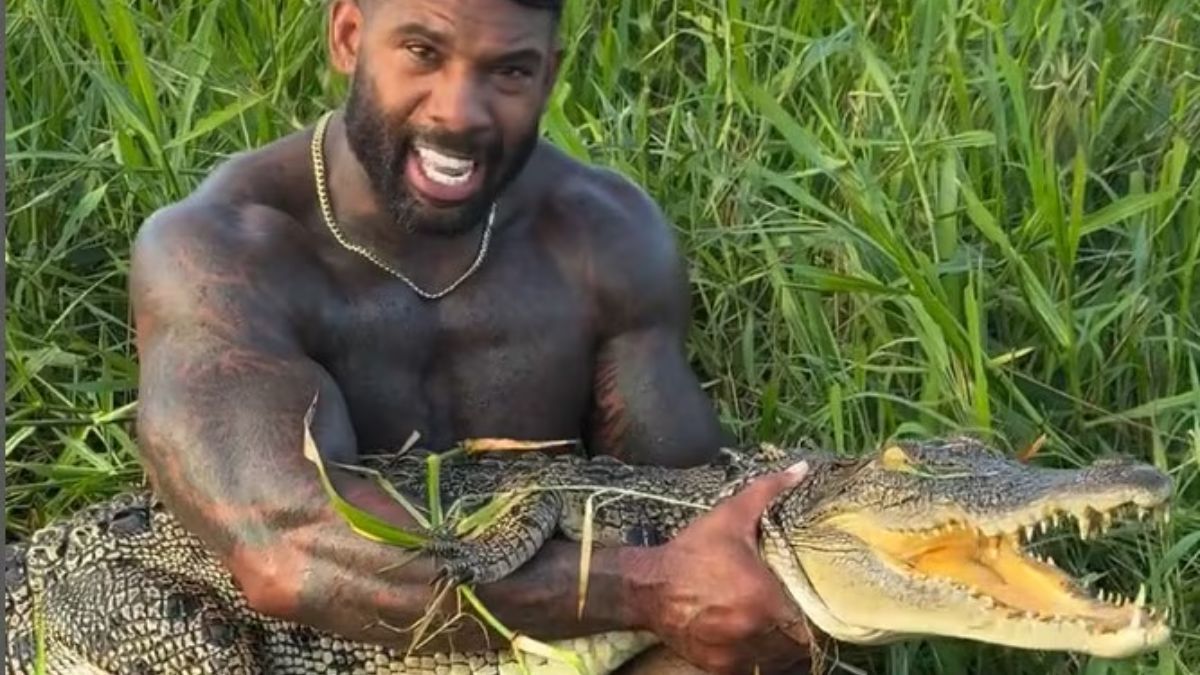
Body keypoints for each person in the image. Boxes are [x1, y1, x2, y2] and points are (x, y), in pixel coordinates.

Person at [129, 0, 814, 672]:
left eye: (509, 71)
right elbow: (289, 553)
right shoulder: (219, 254)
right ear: (348, 36)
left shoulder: (605, 239)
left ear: (548, 76)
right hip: (294, 648)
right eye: (423, 52)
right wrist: (648, 585)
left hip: (552, 647)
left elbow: (683, 495)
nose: (458, 113)